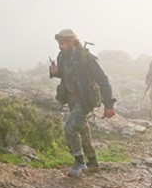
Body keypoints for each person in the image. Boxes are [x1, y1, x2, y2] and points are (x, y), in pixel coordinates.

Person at [49, 29, 116, 177]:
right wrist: (55, 72)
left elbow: (103, 80)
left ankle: (79, 162)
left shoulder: (86, 58)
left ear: (71, 41)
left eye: (62, 43)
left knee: (70, 129)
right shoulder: (62, 56)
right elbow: (65, 74)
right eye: (58, 43)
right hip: (71, 99)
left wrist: (109, 105)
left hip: (85, 100)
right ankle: (92, 164)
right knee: (83, 130)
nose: (59, 46)